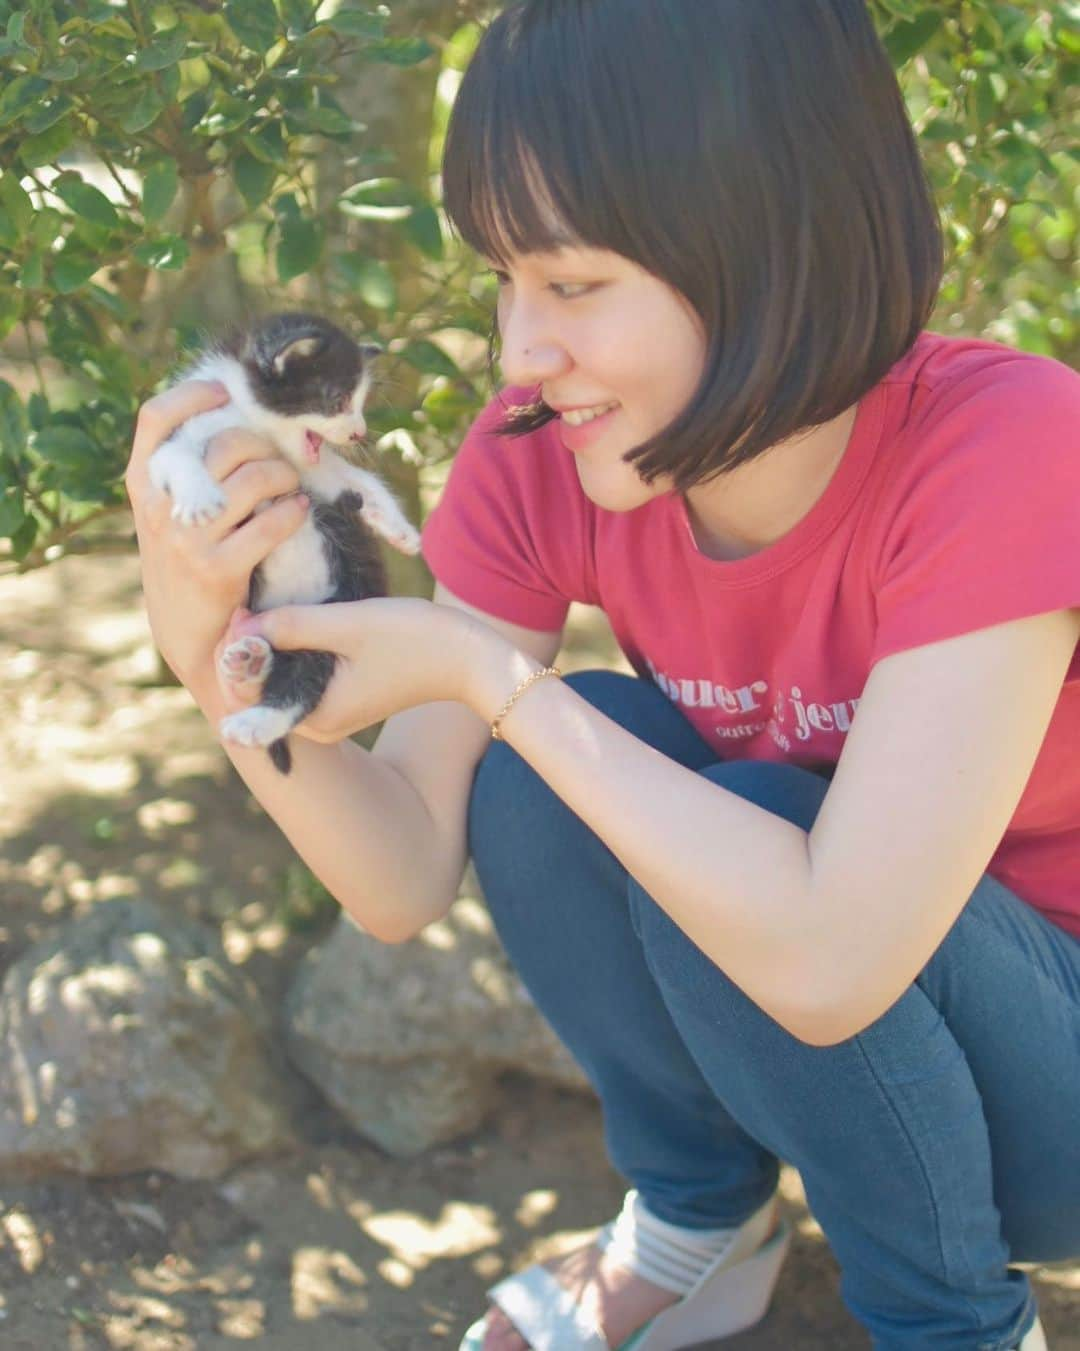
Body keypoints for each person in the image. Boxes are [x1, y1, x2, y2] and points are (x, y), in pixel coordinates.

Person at [125, 2, 1080, 1347]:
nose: (522, 349)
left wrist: (486, 672)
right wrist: (204, 645)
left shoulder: (1007, 449)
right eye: (506, 280)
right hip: (837, 1041)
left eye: (573, 285)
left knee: (716, 802)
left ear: (774, 245)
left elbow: (833, 956)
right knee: (551, 779)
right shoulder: (543, 454)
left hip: (1055, 1082)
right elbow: (398, 876)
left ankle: (956, 1323)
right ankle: (704, 1219)